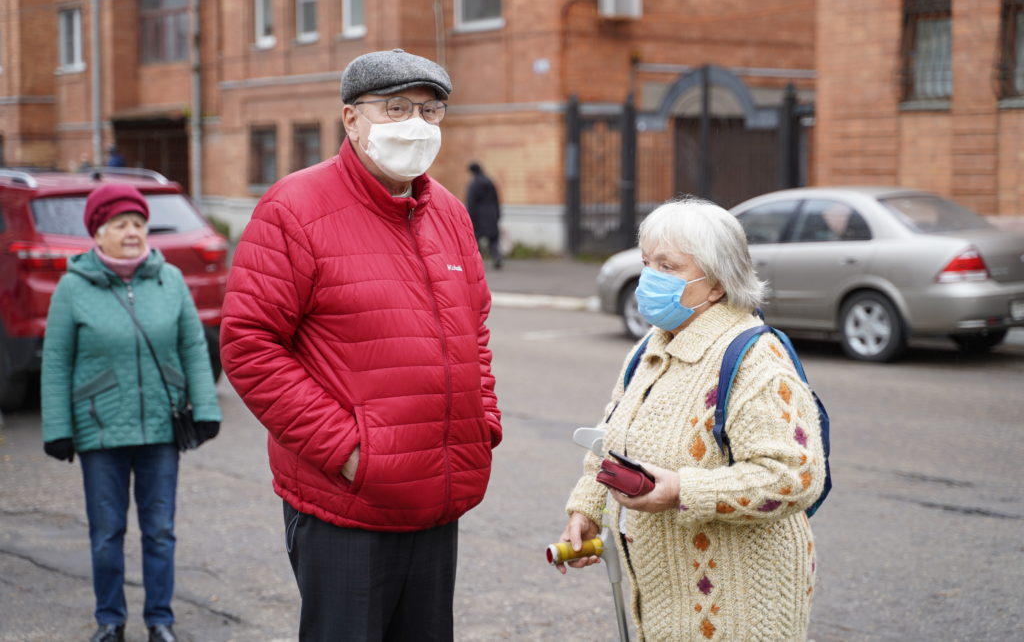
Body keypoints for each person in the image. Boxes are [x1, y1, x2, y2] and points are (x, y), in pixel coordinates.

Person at [220, 48, 502, 642]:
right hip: (347, 506)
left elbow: (474, 330)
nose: (416, 125)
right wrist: (350, 452)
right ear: (351, 120)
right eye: (396, 108)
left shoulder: (448, 212)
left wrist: (484, 423)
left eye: (431, 111)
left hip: (436, 494)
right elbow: (250, 345)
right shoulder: (294, 207)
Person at [557, 196, 826, 641]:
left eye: (668, 266)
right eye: (647, 263)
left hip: (741, 604)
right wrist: (587, 507)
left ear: (717, 283)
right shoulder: (652, 346)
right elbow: (611, 437)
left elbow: (795, 478)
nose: (649, 278)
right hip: (667, 596)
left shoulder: (757, 360)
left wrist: (683, 490)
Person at [40, 184, 221, 642]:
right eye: (120, 225)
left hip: (162, 427)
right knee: (107, 532)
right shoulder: (72, 287)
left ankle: (160, 620)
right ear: (97, 234)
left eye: (138, 224)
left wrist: (205, 406)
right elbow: (57, 361)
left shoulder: (169, 280)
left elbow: (193, 347)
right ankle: (110, 619)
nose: (132, 233)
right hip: (100, 430)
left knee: (160, 530)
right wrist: (58, 428)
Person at [465, 162, 502, 269]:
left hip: (478, 215)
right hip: (492, 213)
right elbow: (496, 199)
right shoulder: (490, 181)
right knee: (493, 239)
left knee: (476, 239)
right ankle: (497, 257)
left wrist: (469, 216)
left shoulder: (474, 184)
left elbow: (471, 201)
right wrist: (498, 214)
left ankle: (477, 262)